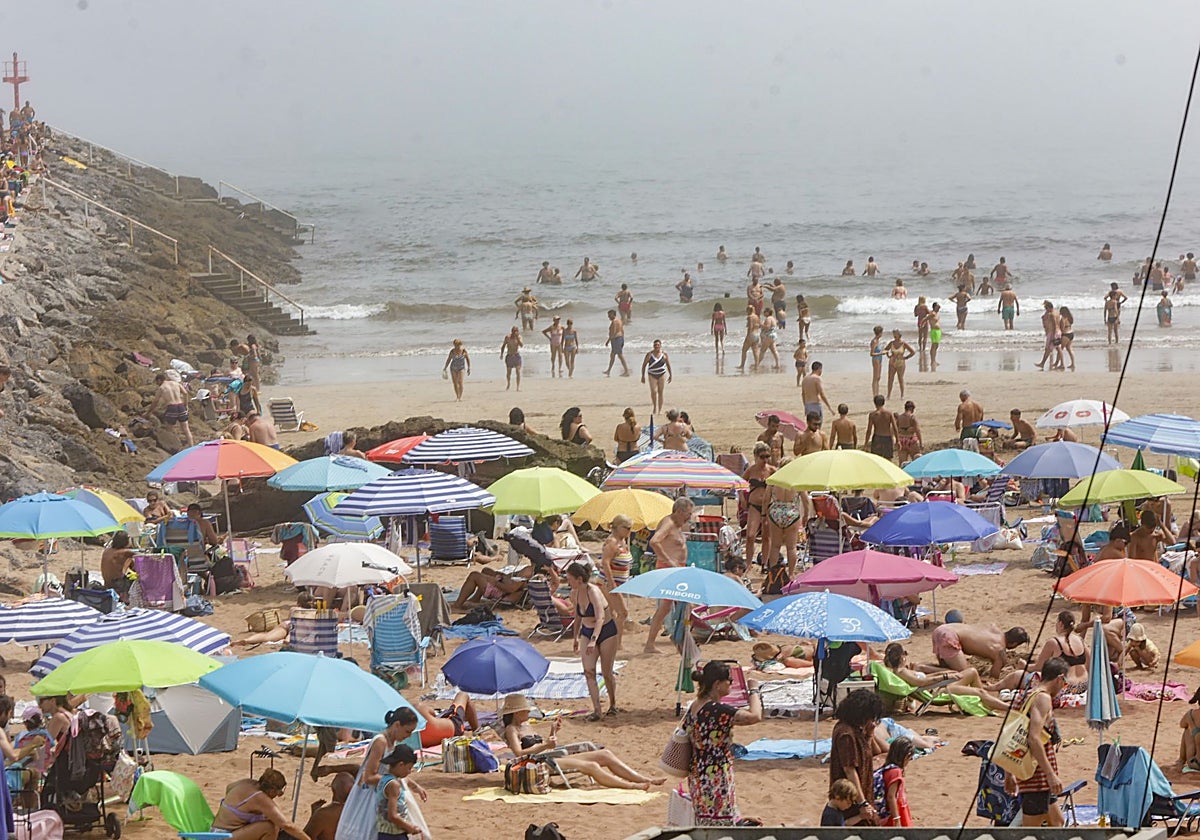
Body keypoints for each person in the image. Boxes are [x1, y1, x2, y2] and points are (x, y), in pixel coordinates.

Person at [500, 694, 661, 788]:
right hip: (536, 765)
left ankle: (644, 779)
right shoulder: (512, 729)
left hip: (550, 758)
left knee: (605, 754)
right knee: (591, 765)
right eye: (526, 709)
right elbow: (518, 754)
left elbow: (541, 745)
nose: (529, 711)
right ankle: (632, 787)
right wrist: (546, 745)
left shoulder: (526, 724)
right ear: (516, 713)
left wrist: (553, 732)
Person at [683, 660, 763, 825]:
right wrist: (753, 691)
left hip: (698, 772)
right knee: (721, 822)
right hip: (716, 774)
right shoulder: (716, 710)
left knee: (706, 821)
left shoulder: (695, 706)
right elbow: (755, 716)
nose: (732, 684)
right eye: (729, 680)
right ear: (717, 684)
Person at [1007, 658, 1068, 827]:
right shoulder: (1042, 698)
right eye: (1064, 683)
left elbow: (1013, 736)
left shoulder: (1023, 696)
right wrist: (1050, 774)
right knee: (1030, 829)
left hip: (1034, 776)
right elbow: (1033, 738)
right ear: (1060, 678)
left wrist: (1009, 772)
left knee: (1057, 822)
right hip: (1038, 777)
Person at [881, 644, 1008, 712]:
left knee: (972, 672)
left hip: (936, 688)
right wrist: (946, 676)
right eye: (905, 653)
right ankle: (1010, 708)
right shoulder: (902, 672)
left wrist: (943, 673)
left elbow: (924, 679)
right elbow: (922, 682)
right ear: (901, 656)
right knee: (979, 692)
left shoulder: (902, 671)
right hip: (937, 692)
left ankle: (985, 704)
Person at [566, 562, 620, 720]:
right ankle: (597, 710)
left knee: (606, 672)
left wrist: (593, 640)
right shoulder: (574, 593)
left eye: (570, 578)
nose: (568, 581)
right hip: (587, 630)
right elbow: (577, 616)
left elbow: (600, 617)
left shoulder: (593, 592)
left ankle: (613, 703)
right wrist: (575, 637)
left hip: (606, 631)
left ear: (579, 579)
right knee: (588, 671)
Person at [644, 497, 694, 653]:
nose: (689, 518)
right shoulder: (669, 523)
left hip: (677, 568)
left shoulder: (677, 525)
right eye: (688, 514)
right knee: (670, 606)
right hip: (668, 568)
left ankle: (680, 638)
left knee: (681, 605)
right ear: (679, 511)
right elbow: (654, 541)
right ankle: (651, 644)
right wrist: (668, 560)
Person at [829, 690, 886, 827]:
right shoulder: (846, 734)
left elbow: (873, 752)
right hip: (850, 798)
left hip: (862, 791)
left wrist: (869, 734)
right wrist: (862, 802)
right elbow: (849, 770)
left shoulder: (857, 730)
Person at [212, 769, 311, 840]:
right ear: (272, 790)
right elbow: (287, 825)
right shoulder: (259, 798)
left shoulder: (246, 783)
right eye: (279, 792)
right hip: (223, 836)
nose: (278, 795)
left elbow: (228, 788)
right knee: (270, 827)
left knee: (270, 822)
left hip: (215, 832)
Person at [931, 622, 1028, 678]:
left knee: (946, 668)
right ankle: (922, 668)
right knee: (963, 675)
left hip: (942, 629)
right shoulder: (1000, 651)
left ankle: (924, 669)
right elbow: (994, 677)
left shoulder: (994, 629)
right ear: (1014, 644)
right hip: (950, 636)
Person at [374, 745, 421, 840]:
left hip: (384, 833)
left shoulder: (384, 780)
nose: (409, 772)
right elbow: (393, 816)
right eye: (409, 768)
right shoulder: (394, 785)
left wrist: (416, 787)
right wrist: (410, 827)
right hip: (394, 835)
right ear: (401, 765)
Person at [765, 458, 804, 575]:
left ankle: (773, 574)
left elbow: (766, 499)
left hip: (776, 512)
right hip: (792, 512)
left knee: (775, 546)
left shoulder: (774, 480)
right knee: (791, 547)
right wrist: (806, 515)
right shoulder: (797, 481)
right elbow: (806, 501)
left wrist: (763, 514)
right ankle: (791, 574)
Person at [599, 514, 633, 642]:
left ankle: (610, 641)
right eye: (627, 528)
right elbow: (605, 562)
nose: (630, 531)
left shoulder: (622, 541)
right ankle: (616, 643)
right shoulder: (612, 542)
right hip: (609, 583)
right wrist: (612, 583)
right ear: (618, 527)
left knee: (611, 614)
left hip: (617, 583)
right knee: (622, 613)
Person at [743, 442, 776, 568]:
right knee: (750, 535)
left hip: (768, 506)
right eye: (762, 457)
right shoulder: (751, 470)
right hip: (754, 506)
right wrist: (742, 498)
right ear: (756, 456)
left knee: (766, 536)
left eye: (767, 456)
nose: (765, 460)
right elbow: (740, 483)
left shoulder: (772, 470)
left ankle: (764, 563)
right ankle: (749, 563)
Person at [874, 737, 914, 827]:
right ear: (907, 756)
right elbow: (891, 796)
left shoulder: (887, 768)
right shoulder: (896, 772)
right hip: (895, 811)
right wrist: (897, 819)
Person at [147, 372, 194, 447]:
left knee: (169, 429)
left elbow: (155, 402)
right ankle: (192, 446)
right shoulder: (176, 383)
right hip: (181, 405)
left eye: (156, 382)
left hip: (172, 407)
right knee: (186, 429)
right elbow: (185, 393)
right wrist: (186, 405)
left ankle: (173, 447)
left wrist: (149, 412)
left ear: (159, 380)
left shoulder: (162, 387)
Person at [302, 772, 352, 839]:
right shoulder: (357, 811)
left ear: (332, 788)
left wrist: (314, 815)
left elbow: (305, 837)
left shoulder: (323, 814)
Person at [641, 339, 672, 415]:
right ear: (653, 346)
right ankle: (655, 407)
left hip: (661, 374)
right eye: (655, 345)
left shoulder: (664, 355)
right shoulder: (649, 355)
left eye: (658, 345)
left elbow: (668, 365)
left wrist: (671, 375)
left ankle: (660, 410)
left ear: (660, 346)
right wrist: (642, 376)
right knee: (653, 391)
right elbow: (644, 365)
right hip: (652, 374)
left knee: (660, 392)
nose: (656, 346)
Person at [101, 531, 136, 598]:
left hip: (107, 584)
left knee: (129, 560)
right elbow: (141, 557)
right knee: (131, 560)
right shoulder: (125, 552)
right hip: (117, 585)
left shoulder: (107, 551)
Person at [865, 395, 898, 462]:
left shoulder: (872, 415)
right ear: (884, 402)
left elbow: (869, 430)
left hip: (877, 437)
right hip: (887, 438)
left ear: (874, 403)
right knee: (888, 459)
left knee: (876, 460)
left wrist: (866, 443)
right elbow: (895, 428)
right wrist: (898, 440)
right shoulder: (889, 413)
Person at [884, 330, 915, 399]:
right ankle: (888, 395)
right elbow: (886, 349)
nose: (894, 336)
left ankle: (902, 395)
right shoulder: (891, 343)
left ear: (899, 335)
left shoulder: (903, 344)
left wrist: (906, 357)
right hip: (892, 362)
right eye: (893, 334)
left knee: (900, 378)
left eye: (895, 334)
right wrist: (888, 355)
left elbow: (912, 352)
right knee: (890, 379)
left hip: (901, 362)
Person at [603, 309, 629, 377]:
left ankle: (626, 371)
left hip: (616, 339)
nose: (608, 317)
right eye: (608, 315)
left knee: (620, 356)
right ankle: (608, 371)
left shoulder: (614, 322)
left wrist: (608, 341)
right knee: (612, 356)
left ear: (613, 315)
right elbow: (622, 331)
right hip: (620, 339)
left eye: (609, 315)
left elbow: (613, 332)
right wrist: (622, 339)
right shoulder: (619, 320)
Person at [737, 306, 761, 372]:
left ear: (748, 310)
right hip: (757, 334)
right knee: (755, 351)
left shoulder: (750, 317)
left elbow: (750, 327)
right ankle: (757, 365)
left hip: (751, 334)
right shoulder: (756, 316)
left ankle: (742, 365)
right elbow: (759, 325)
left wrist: (748, 336)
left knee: (744, 350)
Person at [500, 326, 523, 391]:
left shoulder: (519, 337)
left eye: (516, 331)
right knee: (508, 372)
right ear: (511, 331)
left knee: (518, 371)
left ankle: (518, 387)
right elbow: (503, 346)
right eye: (513, 331)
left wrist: (517, 339)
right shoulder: (508, 337)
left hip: (516, 355)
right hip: (509, 355)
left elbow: (521, 345)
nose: (514, 332)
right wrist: (501, 354)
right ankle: (508, 384)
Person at [868, 326, 886, 397]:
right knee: (875, 377)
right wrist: (881, 353)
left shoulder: (878, 341)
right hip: (876, 359)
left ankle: (877, 392)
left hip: (879, 358)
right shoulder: (874, 341)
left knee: (878, 377)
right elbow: (872, 353)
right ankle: (874, 394)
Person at [1057, 306, 1076, 371]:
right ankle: (1073, 364)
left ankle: (1061, 364)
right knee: (1069, 349)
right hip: (1071, 333)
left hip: (1066, 334)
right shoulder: (1070, 317)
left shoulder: (1063, 319)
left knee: (1060, 349)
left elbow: (1062, 329)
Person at [928, 302, 943, 368]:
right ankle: (932, 361)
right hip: (934, 331)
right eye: (937, 306)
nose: (939, 308)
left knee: (936, 346)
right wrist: (921, 324)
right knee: (933, 346)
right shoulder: (932, 313)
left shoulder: (936, 314)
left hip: (938, 331)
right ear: (934, 307)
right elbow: (925, 319)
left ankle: (934, 360)